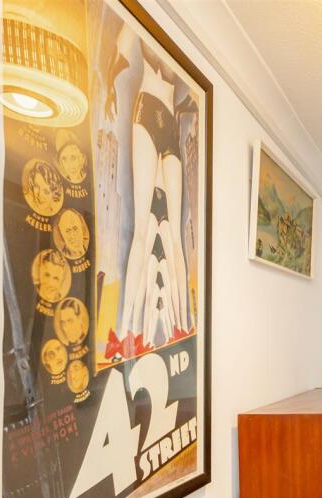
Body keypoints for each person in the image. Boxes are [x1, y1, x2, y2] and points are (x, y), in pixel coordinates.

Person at [105, 25, 196, 346]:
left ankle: (182, 324)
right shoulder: (141, 25)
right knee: (142, 230)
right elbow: (120, 49)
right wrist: (110, 88)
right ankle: (126, 331)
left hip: (167, 122)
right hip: (147, 112)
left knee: (175, 239)